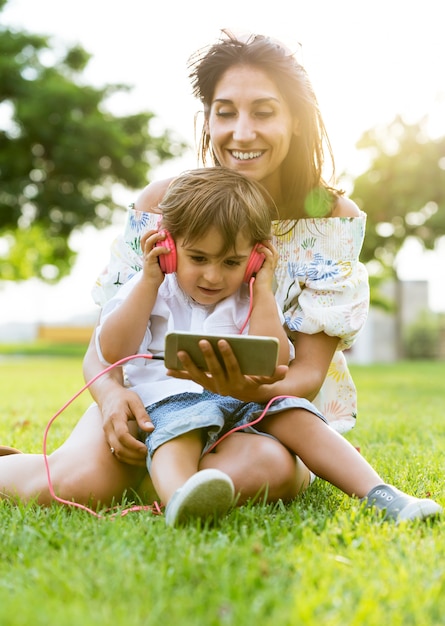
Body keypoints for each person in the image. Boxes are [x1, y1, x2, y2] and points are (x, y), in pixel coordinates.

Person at [0, 31, 441, 522]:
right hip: (159, 396)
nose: (242, 132)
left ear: (296, 120)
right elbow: (108, 344)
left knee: (266, 469)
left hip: (266, 414)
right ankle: (133, 475)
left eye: (264, 112)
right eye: (225, 111)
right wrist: (111, 395)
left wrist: (247, 381)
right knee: (76, 483)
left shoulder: (328, 220)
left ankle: (169, 483)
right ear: (207, 118)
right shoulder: (165, 208)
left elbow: (305, 376)